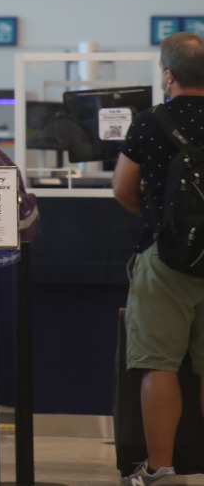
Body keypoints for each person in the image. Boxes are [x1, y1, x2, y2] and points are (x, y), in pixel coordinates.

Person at [113, 31, 204, 486]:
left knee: (159, 364)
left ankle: (159, 469)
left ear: (168, 75)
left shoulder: (151, 121)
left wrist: (157, 221)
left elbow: (122, 188)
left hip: (164, 259)